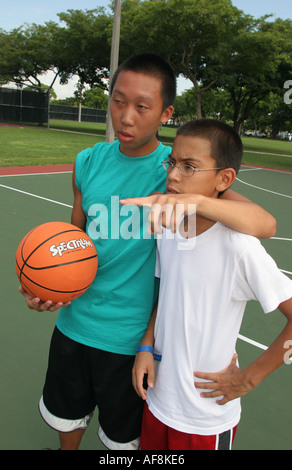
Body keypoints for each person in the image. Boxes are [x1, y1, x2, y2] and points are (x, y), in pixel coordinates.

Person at [20, 54, 276, 451]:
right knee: (66, 415)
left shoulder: (175, 170)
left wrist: (194, 202)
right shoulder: (87, 161)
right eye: (118, 101)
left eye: (142, 106)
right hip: (75, 326)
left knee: (122, 439)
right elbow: (74, 239)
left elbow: (264, 223)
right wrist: (50, 286)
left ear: (165, 112)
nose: (125, 117)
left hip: (132, 341)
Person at [123, 119, 292, 451]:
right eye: (171, 162)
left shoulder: (239, 247)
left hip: (204, 417)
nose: (172, 174)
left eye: (189, 167)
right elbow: (169, 291)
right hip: (159, 400)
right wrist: (146, 344)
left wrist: (249, 378)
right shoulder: (170, 226)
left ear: (224, 179)